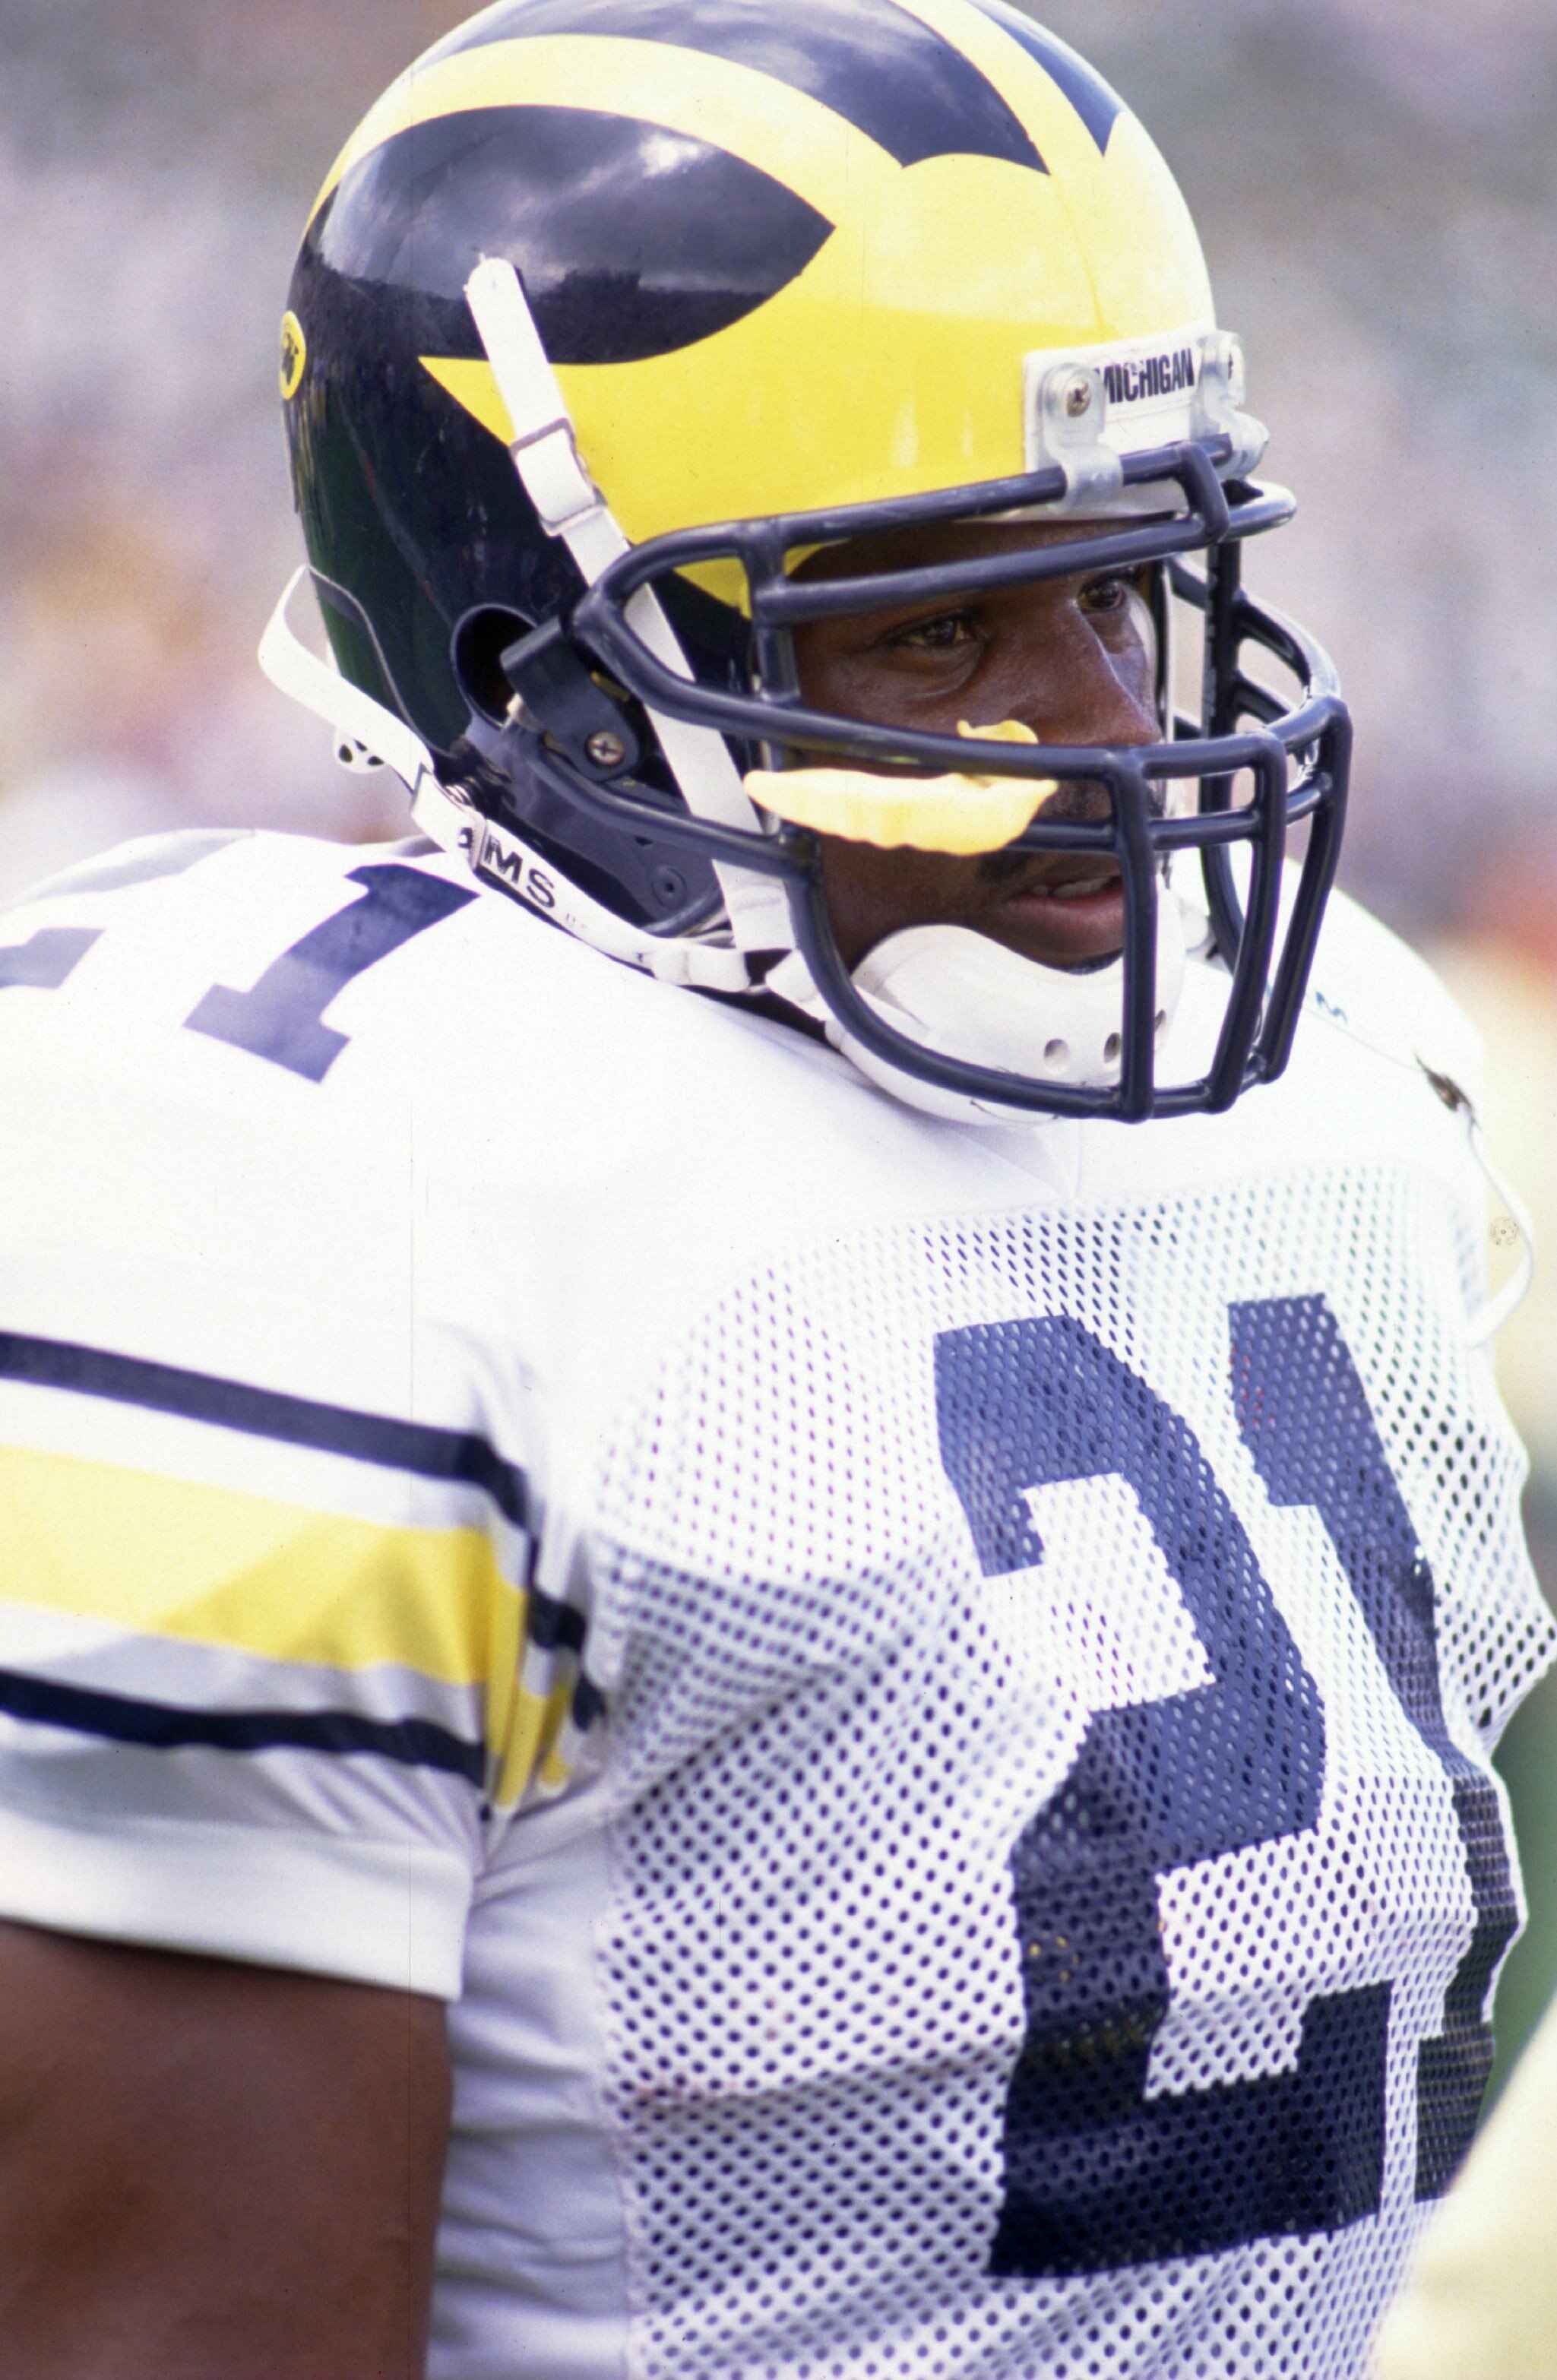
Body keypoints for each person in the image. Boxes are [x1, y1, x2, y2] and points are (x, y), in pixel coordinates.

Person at [0, 4, 1547, 2374]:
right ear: (539, 664)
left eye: (1123, 589)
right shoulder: (312, 1178)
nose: (1116, 730)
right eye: (940, 629)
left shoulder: (1341, 1066)